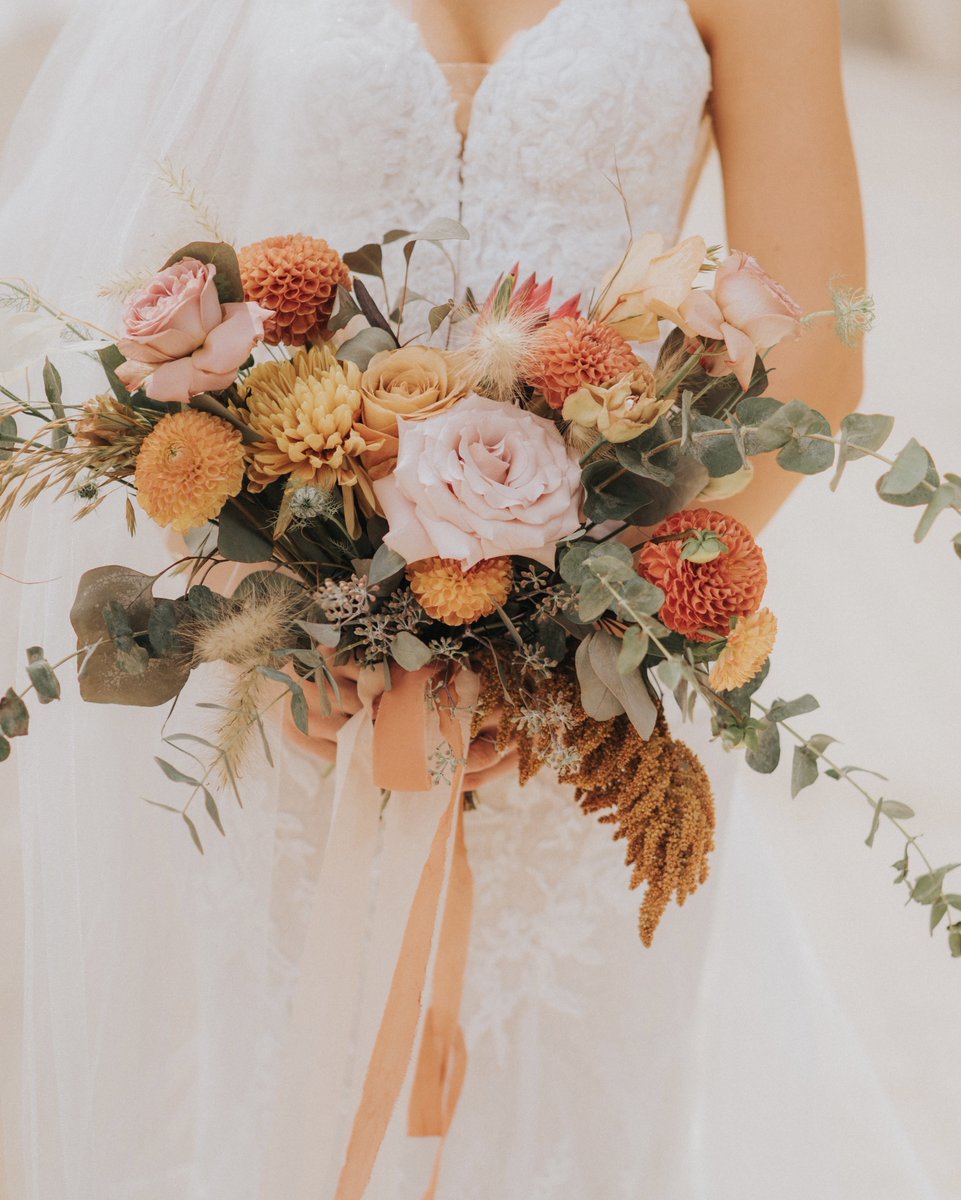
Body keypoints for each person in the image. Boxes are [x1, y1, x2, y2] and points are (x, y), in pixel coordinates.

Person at [0, 2, 941, 1197]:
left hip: (591, 721)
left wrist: (573, 635)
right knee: (289, 1082)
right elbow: (134, 296)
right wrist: (272, 603)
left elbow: (812, 351)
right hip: (298, 696)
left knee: (576, 1113)